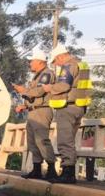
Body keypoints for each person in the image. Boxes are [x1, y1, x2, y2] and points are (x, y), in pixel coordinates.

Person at [43, 45, 92, 184]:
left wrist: (49, 88)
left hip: (68, 107)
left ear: (61, 56)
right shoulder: (82, 64)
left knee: (65, 140)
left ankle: (68, 173)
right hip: (80, 106)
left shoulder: (68, 66)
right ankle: (69, 171)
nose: (55, 64)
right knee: (70, 140)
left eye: (55, 61)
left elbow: (64, 86)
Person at [12, 48, 57, 180]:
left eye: (32, 61)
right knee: (32, 142)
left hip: (42, 111)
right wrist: (24, 105)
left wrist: (23, 90)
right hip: (33, 111)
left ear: (39, 62)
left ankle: (51, 170)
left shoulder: (47, 74)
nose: (30, 64)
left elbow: (39, 92)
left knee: (42, 140)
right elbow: (33, 96)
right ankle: (36, 169)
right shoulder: (37, 76)